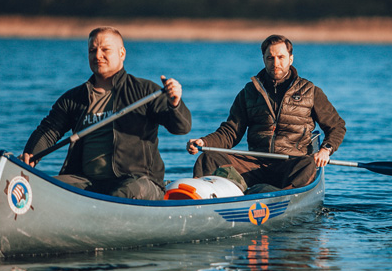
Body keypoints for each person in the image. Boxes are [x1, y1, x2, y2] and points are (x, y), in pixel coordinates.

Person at [20, 26, 191, 200]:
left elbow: (182, 128)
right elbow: (49, 131)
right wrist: (30, 156)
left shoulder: (146, 91)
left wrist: (175, 103)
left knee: (125, 192)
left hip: (138, 181)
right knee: (43, 188)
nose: (98, 55)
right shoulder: (74, 98)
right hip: (86, 182)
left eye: (105, 49)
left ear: (122, 53)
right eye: (92, 50)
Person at [187, 34, 346, 192]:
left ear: (291, 59)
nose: (275, 63)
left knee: (309, 163)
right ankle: (202, 197)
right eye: (270, 58)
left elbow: (337, 126)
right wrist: (204, 142)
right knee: (209, 157)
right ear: (263, 59)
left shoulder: (310, 91)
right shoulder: (249, 92)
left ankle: (285, 199)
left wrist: (326, 149)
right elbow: (230, 133)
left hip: (291, 164)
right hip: (254, 164)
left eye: (281, 57)